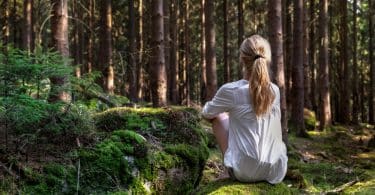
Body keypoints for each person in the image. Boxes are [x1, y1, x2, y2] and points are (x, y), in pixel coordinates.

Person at [201, 35, 287, 184]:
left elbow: (207, 113)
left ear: (242, 59)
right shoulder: (274, 90)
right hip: (275, 171)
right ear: (267, 59)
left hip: (244, 173)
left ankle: (227, 169)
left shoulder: (231, 90)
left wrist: (227, 112)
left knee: (219, 118)